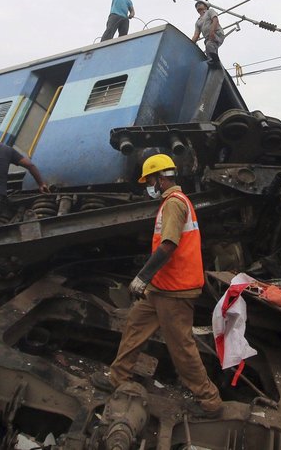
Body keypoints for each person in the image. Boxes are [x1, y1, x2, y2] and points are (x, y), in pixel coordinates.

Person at [98, 154, 224, 419]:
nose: (149, 185)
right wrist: (150, 281)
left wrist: (142, 276)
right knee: (134, 325)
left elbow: (169, 244)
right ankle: (117, 377)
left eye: (150, 180)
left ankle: (210, 401)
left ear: (160, 177)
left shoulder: (175, 204)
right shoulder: (170, 203)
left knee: (181, 347)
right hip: (161, 288)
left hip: (176, 290)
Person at [191, 1, 225, 66]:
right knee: (209, 48)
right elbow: (196, 35)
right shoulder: (198, 22)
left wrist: (212, 32)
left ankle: (215, 62)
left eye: (200, 4)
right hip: (208, 38)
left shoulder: (210, 11)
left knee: (209, 45)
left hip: (217, 33)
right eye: (196, 5)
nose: (198, 5)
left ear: (205, 6)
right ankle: (213, 62)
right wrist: (190, 43)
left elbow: (215, 20)